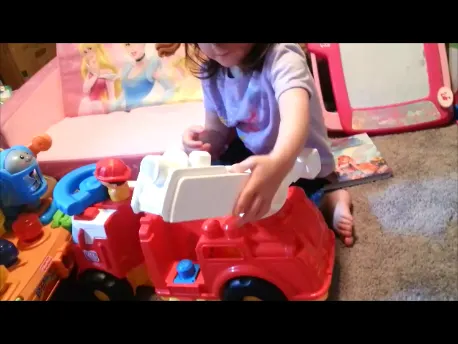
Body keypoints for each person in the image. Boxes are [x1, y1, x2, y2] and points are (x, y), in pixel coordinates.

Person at [182, 43, 354, 246]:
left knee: (297, 205)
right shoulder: (211, 74)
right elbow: (217, 132)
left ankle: (329, 200)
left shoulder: (283, 57)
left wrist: (278, 163)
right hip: (255, 155)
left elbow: (295, 120)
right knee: (217, 173)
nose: (215, 45)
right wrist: (201, 143)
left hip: (299, 160)